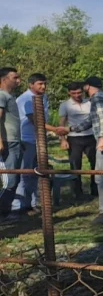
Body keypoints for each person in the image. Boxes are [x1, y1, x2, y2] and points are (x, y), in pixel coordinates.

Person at [59, 77, 103, 225]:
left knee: (101, 176)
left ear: (87, 86)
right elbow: (91, 120)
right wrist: (70, 129)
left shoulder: (98, 100)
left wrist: (102, 138)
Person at [16, 73, 61, 216]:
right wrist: (55, 130)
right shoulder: (25, 99)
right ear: (31, 85)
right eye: (39, 84)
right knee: (25, 172)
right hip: (26, 140)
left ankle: (32, 203)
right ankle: (18, 206)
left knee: (37, 172)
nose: (43, 86)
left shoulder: (44, 98)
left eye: (44, 84)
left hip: (39, 140)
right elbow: (34, 120)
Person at [59, 82, 97, 198]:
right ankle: (77, 192)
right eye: (74, 93)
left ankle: (95, 189)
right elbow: (61, 123)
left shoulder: (90, 103)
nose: (77, 95)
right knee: (75, 165)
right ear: (69, 93)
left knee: (95, 164)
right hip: (74, 138)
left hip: (90, 136)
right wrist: (63, 140)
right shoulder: (65, 105)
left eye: (79, 92)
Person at [0, 67, 22, 221]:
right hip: (6, 143)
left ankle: (5, 213)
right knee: (10, 180)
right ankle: (2, 213)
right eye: (15, 77)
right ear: (4, 79)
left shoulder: (10, 96)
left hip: (14, 142)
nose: (18, 80)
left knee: (15, 178)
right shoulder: (1, 95)